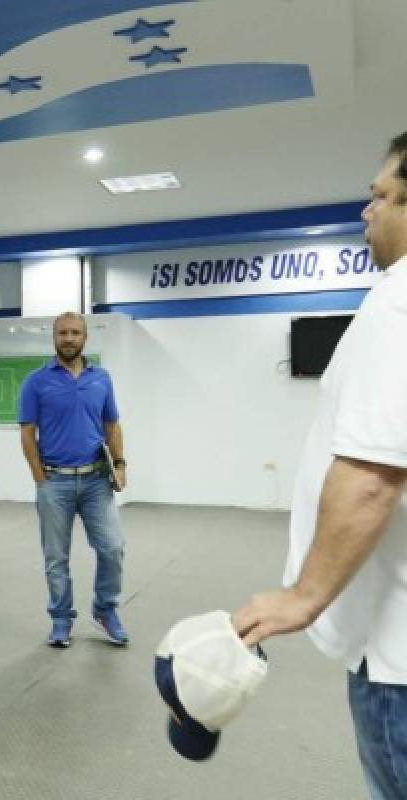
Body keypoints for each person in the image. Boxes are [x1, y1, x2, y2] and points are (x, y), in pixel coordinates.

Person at [234, 133, 407, 800]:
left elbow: (371, 476)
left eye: (381, 197)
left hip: (396, 658)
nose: (366, 212)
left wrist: (302, 598)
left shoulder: (397, 301)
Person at [18, 312, 129, 648]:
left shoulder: (102, 378)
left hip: (97, 480)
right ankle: (61, 619)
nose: (68, 338)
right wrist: (40, 479)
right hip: (55, 482)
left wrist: (120, 464)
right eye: (63, 333)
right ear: (54, 337)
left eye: (75, 333)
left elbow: (112, 425)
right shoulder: (36, 382)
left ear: (85, 338)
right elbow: (27, 433)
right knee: (56, 557)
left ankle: (105, 610)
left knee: (112, 548)